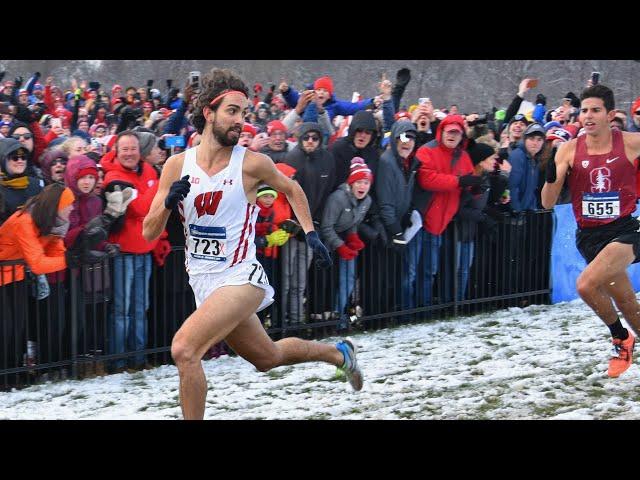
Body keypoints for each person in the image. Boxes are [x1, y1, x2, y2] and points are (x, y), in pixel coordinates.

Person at [141, 68, 363, 420]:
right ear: (208, 113)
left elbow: (292, 189)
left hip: (241, 278)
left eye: (244, 113)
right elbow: (148, 233)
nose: (240, 121)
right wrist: (168, 203)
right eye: (232, 111)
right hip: (203, 281)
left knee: (184, 350)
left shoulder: (251, 163)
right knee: (267, 358)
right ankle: (338, 353)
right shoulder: (175, 166)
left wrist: (310, 233)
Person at [541, 84, 640, 378]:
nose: (588, 116)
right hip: (589, 236)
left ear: (610, 114)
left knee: (585, 285)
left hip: (625, 230)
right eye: (584, 110)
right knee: (626, 301)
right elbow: (547, 203)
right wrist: (550, 178)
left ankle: (620, 338)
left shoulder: (632, 142)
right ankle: (629, 336)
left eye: (595, 110)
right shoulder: (569, 149)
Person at [321, 157, 372, 328]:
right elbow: (326, 227)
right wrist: (340, 245)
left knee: (349, 278)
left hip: (343, 240)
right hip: (326, 244)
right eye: (359, 182)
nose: (362, 187)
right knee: (328, 281)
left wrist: (353, 237)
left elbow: (353, 222)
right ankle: (329, 320)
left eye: (366, 182)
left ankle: (341, 317)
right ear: (351, 183)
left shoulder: (367, 201)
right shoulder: (337, 198)